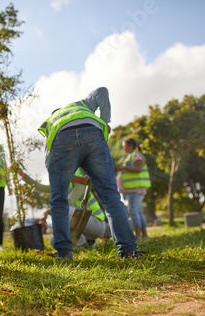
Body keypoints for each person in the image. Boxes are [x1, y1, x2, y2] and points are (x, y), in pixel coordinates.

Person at [38, 87, 141, 260]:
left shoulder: (51, 122)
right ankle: (128, 251)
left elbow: (49, 156)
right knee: (110, 197)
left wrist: (55, 173)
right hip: (93, 135)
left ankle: (64, 254)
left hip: (62, 142)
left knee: (58, 200)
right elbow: (102, 91)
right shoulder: (81, 105)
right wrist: (105, 121)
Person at [116, 138, 151, 240]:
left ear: (131, 146)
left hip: (136, 190)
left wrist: (123, 168)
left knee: (133, 211)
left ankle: (138, 236)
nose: (124, 148)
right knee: (138, 212)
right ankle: (144, 235)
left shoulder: (137, 156)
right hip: (132, 190)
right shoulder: (130, 156)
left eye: (125, 146)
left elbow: (138, 169)